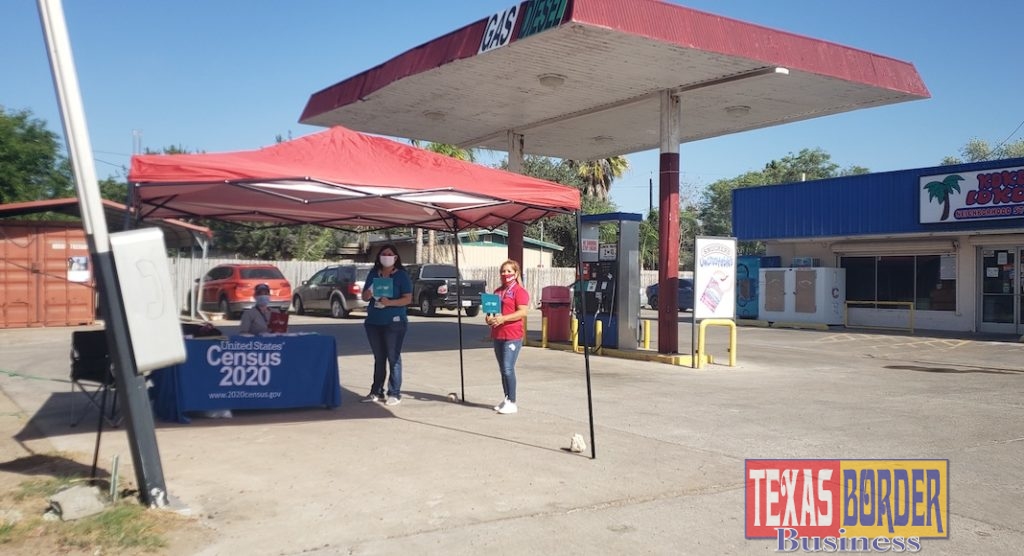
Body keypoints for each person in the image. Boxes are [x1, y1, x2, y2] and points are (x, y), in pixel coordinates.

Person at [360, 245, 413, 406]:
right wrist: (369, 292)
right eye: (384, 254)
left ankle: (394, 393)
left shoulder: (401, 275)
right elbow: (364, 297)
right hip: (373, 322)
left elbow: (407, 298)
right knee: (379, 358)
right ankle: (376, 391)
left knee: (393, 357)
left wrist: (390, 303)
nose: (387, 256)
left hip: (394, 322)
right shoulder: (373, 274)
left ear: (395, 258)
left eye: (390, 254)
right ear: (379, 257)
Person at [485, 259, 530, 415]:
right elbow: (491, 312)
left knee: (508, 368)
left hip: (512, 335)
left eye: (509, 271)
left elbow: (523, 312)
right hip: (498, 334)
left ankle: (512, 401)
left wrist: (504, 318)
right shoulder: (497, 291)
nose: (505, 274)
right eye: (503, 271)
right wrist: (489, 318)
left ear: (516, 273)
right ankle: (506, 398)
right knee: (502, 369)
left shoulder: (519, 291)